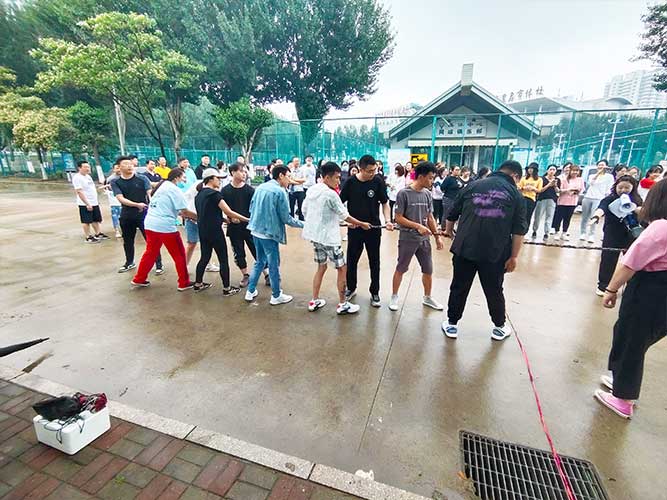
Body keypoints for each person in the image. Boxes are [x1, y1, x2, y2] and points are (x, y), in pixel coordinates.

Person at [595, 179, 667, 419]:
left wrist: (611, 289)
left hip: (651, 291)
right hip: (660, 295)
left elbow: (630, 263)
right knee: (632, 337)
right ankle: (620, 379)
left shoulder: (660, 228)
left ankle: (623, 398)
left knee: (631, 342)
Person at [442, 160, 527, 341]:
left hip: (465, 248)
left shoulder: (472, 186)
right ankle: (499, 327)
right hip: (495, 252)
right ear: (515, 176)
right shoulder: (516, 195)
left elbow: (452, 213)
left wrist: (449, 232)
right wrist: (514, 257)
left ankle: (452, 324)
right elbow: (519, 230)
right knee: (494, 289)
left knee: (459, 286)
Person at [302, 162, 372, 314]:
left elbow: (305, 210)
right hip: (329, 239)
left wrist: (343, 223)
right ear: (327, 177)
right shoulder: (331, 194)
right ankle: (343, 304)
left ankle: (314, 300)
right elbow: (344, 215)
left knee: (321, 267)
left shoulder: (312, 190)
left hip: (316, 237)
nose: (339, 181)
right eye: (337, 178)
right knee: (342, 268)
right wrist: (361, 224)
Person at [244, 165, 304, 305]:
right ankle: (276, 295)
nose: (290, 180)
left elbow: (251, 208)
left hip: (255, 230)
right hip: (269, 233)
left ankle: (250, 291)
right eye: (288, 176)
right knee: (273, 265)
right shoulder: (280, 192)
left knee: (259, 262)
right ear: (281, 176)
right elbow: (287, 219)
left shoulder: (261, 187)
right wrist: (305, 224)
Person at [389, 162, 444, 312]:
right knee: (401, 268)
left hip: (424, 240)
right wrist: (417, 226)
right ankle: (394, 296)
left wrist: (437, 237)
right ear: (421, 177)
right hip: (408, 238)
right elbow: (398, 218)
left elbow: (430, 217)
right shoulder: (403, 194)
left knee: (428, 269)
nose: (432, 181)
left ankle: (427, 297)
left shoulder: (427, 194)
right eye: (430, 178)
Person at [340, 154, 394, 307]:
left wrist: (388, 221)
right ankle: (351, 288)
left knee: (374, 261)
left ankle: (375, 292)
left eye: (374, 170)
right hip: (356, 228)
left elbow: (385, 203)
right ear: (361, 169)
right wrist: (347, 220)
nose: (373, 173)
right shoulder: (350, 182)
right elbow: (339, 204)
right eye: (370, 171)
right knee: (352, 260)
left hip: (373, 228)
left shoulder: (377, 181)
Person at [130, 168, 197, 290]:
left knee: (150, 252)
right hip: (165, 227)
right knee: (179, 255)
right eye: (183, 177)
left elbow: (175, 210)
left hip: (150, 224)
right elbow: (184, 211)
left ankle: (139, 278)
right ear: (176, 178)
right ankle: (184, 282)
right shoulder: (174, 190)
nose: (185, 180)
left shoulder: (162, 186)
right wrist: (200, 218)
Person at [194, 168, 250, 295]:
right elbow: (229, 211)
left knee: (204, 257)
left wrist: (224, 220)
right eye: (218, 178)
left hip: (203, 231)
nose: (219, 181)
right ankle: (227, 288)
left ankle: (198, 284)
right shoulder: (215, 194)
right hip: (215, 232)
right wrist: (247, 219)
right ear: (210, 179)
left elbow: (207, 213)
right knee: (223, 259)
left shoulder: (199, 195)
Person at [589, 175, 643, 296]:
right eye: (620, 187)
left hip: (631, 236)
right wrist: (596, 217)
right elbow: (602, 208)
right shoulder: (610, 198)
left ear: (633, 187)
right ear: (615, 186)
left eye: (627, 187)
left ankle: (630, 287)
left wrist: (636, 209)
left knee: (631, 261)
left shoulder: (637, 199)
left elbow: (644, 213)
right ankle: (603, 286)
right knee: (608, 260)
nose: (623, 190)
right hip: (612, 234)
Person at [111, 156, 163, 274]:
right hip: (127, 215)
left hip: (144, 214)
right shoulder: (115, 182)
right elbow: (120, 198)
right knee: (128, 240)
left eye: (130, 164)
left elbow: (149, 193)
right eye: (125, 164)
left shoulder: (142, 178)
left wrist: (152, 205)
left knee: (151, 240)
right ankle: (129, 262)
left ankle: (158, 264)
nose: (129, 166)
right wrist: (136, 204)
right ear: (119, 167)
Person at [221, 162, 270, 287]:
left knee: (257, 250)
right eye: (241, 171)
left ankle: (267, 274)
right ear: (233, 173)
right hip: (234, 228)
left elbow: (256, 208)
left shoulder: (250, 190)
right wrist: (230, 217)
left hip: (250, 227)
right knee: (238, 252)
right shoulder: (225, 191)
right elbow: (223, 208)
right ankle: (245, 275)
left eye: (245, 171)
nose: (244, 174)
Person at [580, 159, 614, 243]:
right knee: (585, 217)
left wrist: (606, 198)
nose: (601, 166)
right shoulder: (592, 175)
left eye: (603, 165)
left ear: (606, 166)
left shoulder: (609, 177)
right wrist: (598, 173)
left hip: (599, 198)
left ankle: (591, 235)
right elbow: (590, 183)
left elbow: (609, 188)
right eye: (599, 165)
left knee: (594, 217)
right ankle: (583, 233)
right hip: (588, 197)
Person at [72, 160, 106, 243]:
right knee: (86, 221)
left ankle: (98, 233)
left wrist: (96, 200)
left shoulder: (88, 176)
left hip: (94, 202)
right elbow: (79, 191)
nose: (88, 168)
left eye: (88, 167)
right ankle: (88, 237)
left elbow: (91, 189)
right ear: (79, 168)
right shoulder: (77, 178)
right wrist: (87, 203)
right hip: (85, 203)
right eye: (85, 167)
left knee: (95, 219)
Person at [552, 164, 583, 241]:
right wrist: (568, 190)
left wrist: (576, 191)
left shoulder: (580, 180)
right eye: (573, 170)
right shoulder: (564, 179)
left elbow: (582, 189)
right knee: (559, 217)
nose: (575, 172)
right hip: (562, 201)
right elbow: (559, 190)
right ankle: (556, 232)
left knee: (567, 218)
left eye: (577, 171)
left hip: (572, 202)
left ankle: (564, 233)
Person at [530, 164, 559, 240]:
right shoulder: (541, 179)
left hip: (552, 200)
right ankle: (534, 230)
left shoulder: (557, 180)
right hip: (542, 199)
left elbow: (558, 191)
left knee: (549, 216)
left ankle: (546, 233)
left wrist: (555, 185)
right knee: (538, 216)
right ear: (547, 170)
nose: (552, 171)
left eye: (554, 170)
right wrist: (549, 184)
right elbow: (540, 190)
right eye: (550, 169)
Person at [518, 163, 543, 238]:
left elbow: (539, 190)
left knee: (528, 216)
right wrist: (524, 188)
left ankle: (525, 232)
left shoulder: (539, 179)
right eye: (529, 168)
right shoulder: (524, 178)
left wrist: (533, 189)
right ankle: (519, 231)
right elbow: (519, 187)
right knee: (521, 215)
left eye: (532, 169)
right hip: (523, 198)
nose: (530, 170)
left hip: (531, 199)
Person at [104, 163, 123, 239]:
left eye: (120, 168)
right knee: (115, 216)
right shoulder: (111, 179)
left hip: (124, 201)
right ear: (113, 169)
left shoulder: (123, 177)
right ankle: (117, 231)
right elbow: (109, 189)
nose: (119, 170)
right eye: (117, 168)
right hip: (114, 201)